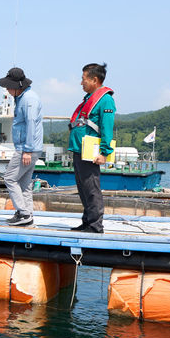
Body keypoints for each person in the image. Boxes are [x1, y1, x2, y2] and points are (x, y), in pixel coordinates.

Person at [68, 62, 116, 233]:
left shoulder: (106, 100)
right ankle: (87, 221)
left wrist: (104, 152)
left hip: (90, 153)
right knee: (83, 188)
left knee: (92, 188)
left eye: (84, 79)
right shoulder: (88, 98)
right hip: (79, 150)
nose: (81, 83)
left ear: (94, 79)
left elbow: (107, 128)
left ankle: (96, 225)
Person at [0, 68, 44, 226]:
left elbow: (30, 124)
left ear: (18, 86)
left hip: (27, 148)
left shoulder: (28, 99)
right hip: (29, 148)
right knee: (24, 183)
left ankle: (23, 213)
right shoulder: (23, 97)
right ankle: (27, 213)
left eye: (9, 86)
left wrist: (27, 150)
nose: (7, 90)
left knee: (9, 178)